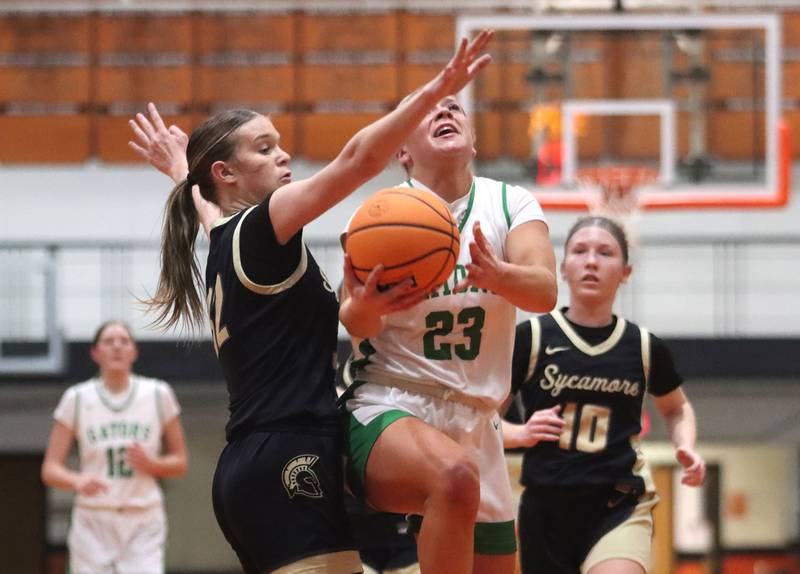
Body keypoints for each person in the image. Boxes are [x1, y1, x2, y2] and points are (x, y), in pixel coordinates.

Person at [128, 31, 494, 574]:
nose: (284, 155)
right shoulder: (262, 226)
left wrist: (182, 169)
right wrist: (436, 89)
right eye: (265, 147)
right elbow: (356, 159)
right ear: (226, 173)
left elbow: (203, 203)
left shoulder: (226, 237)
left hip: (253, 465)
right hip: (289, 459)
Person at [338, 92, 558, 573]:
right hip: (390, 401)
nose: (444, 111)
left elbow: (544, 293)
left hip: (478, 420)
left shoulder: (510, 202)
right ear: (402, 151)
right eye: (428, 110)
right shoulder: (378, 216)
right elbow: (353, 322)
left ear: (473, 140)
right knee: (454, 474)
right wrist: (367, 306)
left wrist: (500, 276)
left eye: (454, 106)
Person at [502, 215, 707, 574]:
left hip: (619, 503)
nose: (591, 261)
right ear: (563, 267)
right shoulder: (532, 338)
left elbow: (676, 409)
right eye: (579, 251)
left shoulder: (643, 347)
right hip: (546, 509)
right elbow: (482, 417)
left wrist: (685, 445)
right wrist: (519, 433)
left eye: (605, 253)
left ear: (625, 272)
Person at [41, 320, 188, 574]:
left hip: (143, 518)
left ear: (134, 351)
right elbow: (50, 469)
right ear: (95, 353)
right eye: (109, 341)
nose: (117, 347)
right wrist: (77, 481)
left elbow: (180, 462)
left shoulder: (157, 394)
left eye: (124, 341)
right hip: (94, 520)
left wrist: (152, 464)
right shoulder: (76, 398)